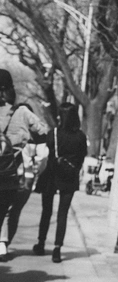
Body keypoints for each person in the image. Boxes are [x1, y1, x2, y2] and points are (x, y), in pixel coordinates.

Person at [0, 72, 49, 260]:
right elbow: (43, 131)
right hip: (10, 177)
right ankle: (2, 245)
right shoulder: (21, 112)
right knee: (7, 213)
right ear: (5, 90)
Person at [34, 102, 87, 263]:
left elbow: (48, 151)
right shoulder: (80, 136)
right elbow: (81, 157)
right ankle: (57, 249)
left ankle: (41, 243)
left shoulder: (54, 133)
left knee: (46, 211)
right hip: (69, 176)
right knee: (62, 214)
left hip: (51, 174)